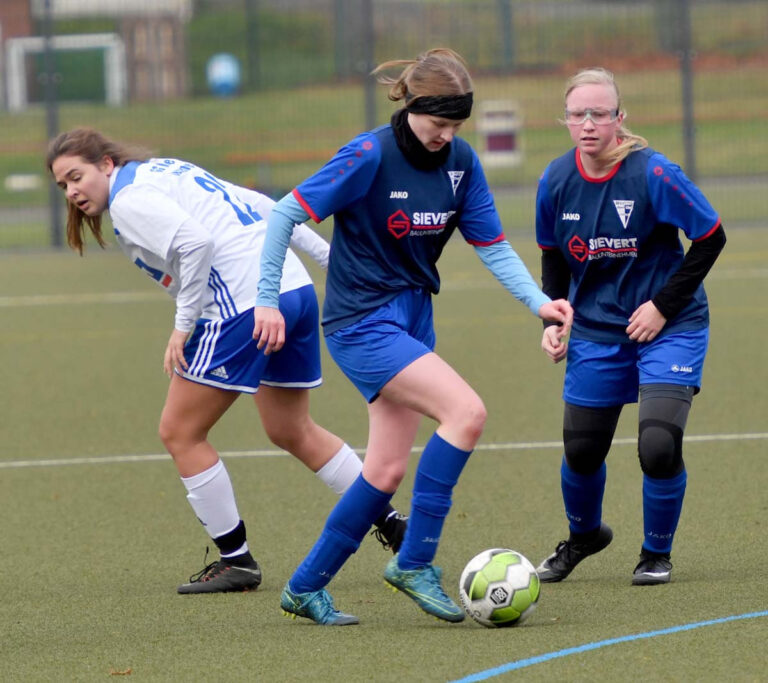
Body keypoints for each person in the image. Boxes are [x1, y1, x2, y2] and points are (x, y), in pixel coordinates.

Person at [253, 48, 573, 625]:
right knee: (466, 412)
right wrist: (266, 300)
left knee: (384, 471)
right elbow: (282, 216)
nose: (445, 135)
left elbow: (493, 245)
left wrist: (539, 304)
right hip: (360, 322)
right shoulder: (368, 154)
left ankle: (304, 586)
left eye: (455, 125)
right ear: (412, 106)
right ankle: (415, 562)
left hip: (413, 317)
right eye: (438, 123)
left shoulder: (462, 162)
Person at [46, 127, 407, 595]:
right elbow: (266, 207)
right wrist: (329, 261)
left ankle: (236, 561)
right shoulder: (164, 169)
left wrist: (183, 325)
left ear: (106, 164)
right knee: (290, 429)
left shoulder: (132, 200)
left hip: (245, 307)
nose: (73, 192)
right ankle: (394, 524)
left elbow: (196, 244)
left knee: (180, 432)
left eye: (77, 177)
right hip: (291, 292)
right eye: (63, 186)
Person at [534, 67, 726, 586]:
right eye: (579, 114)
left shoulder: (654, 174)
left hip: (671, 326)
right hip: (597, 331)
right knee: (581, 451)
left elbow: (711, 236)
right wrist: (554, 316)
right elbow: (553, 257)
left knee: (658, 445)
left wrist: (662, 306)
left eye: (601, 113)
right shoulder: (555, 180)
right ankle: (584, 537)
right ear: (566, 120)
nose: (589, 123)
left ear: (621, 119)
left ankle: (655, 553)